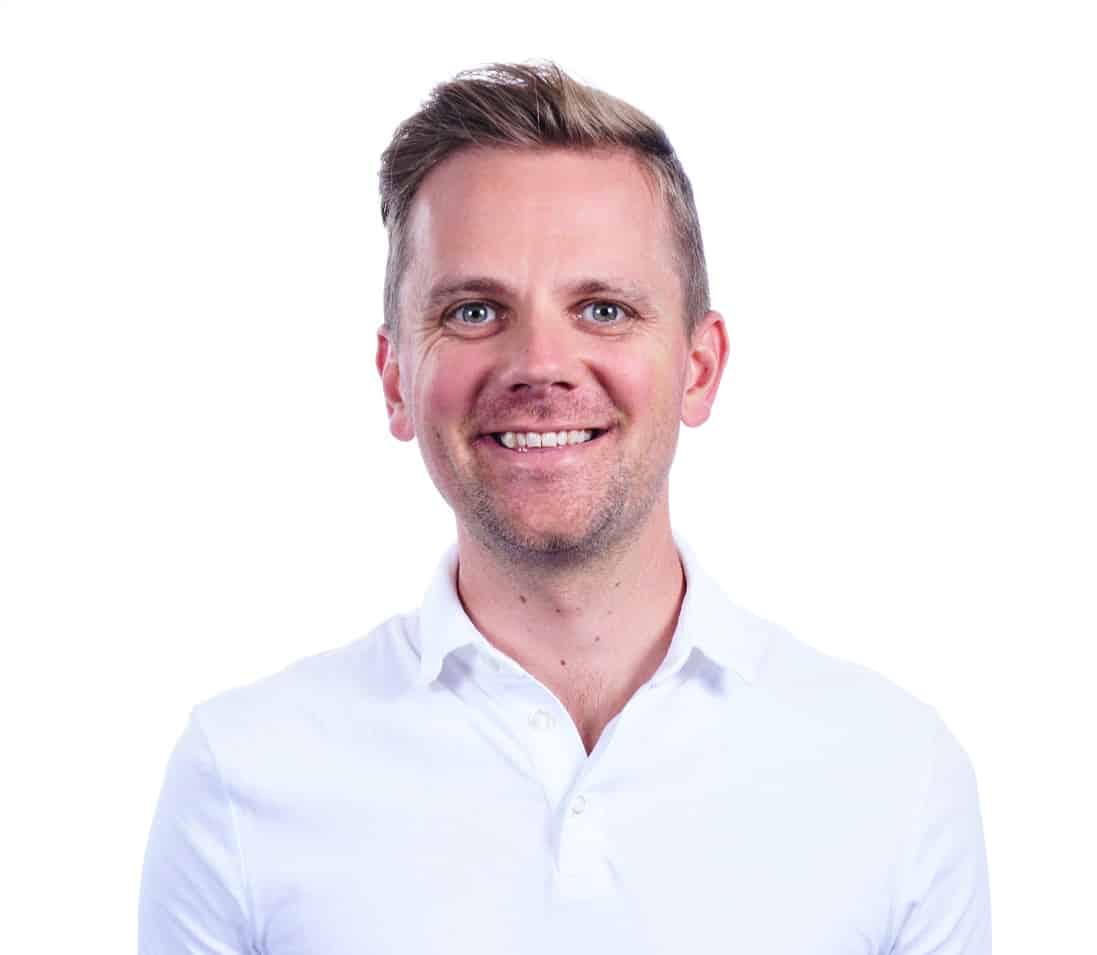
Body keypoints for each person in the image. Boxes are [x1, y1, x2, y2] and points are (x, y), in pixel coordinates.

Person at [138, 61, 991, 954]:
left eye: (604, 308)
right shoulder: (240, 778)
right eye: (472, 310)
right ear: (396, 380)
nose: (540, 363)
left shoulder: (895, 777)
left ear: (699, 367)